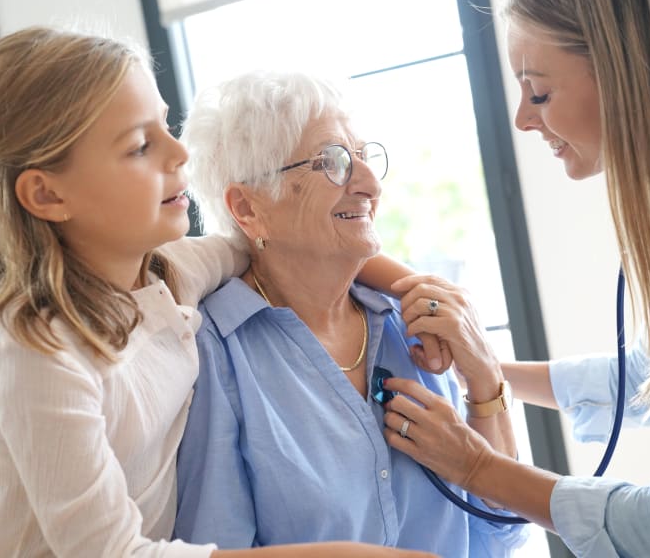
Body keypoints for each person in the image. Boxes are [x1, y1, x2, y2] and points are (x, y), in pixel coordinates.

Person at [0, 26, 435, 558]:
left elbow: (272, 245)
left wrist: (420, 289)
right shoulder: (31, 349)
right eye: (140, 145)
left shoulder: (168, 274)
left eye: (165, 126)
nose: (180, 152)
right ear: (47, 193)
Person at [377, 0, 650, 556]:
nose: (524, 118)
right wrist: (487, 366)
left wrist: (475, 465)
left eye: (539, 91)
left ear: (629, 72)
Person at [172, 70, 528, 557]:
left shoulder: (411, 329)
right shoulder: (216, 356)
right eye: (333, 162)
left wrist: (485, 382)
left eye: (364, 156)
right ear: (248, 208)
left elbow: (497, 537)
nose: (368, 184)